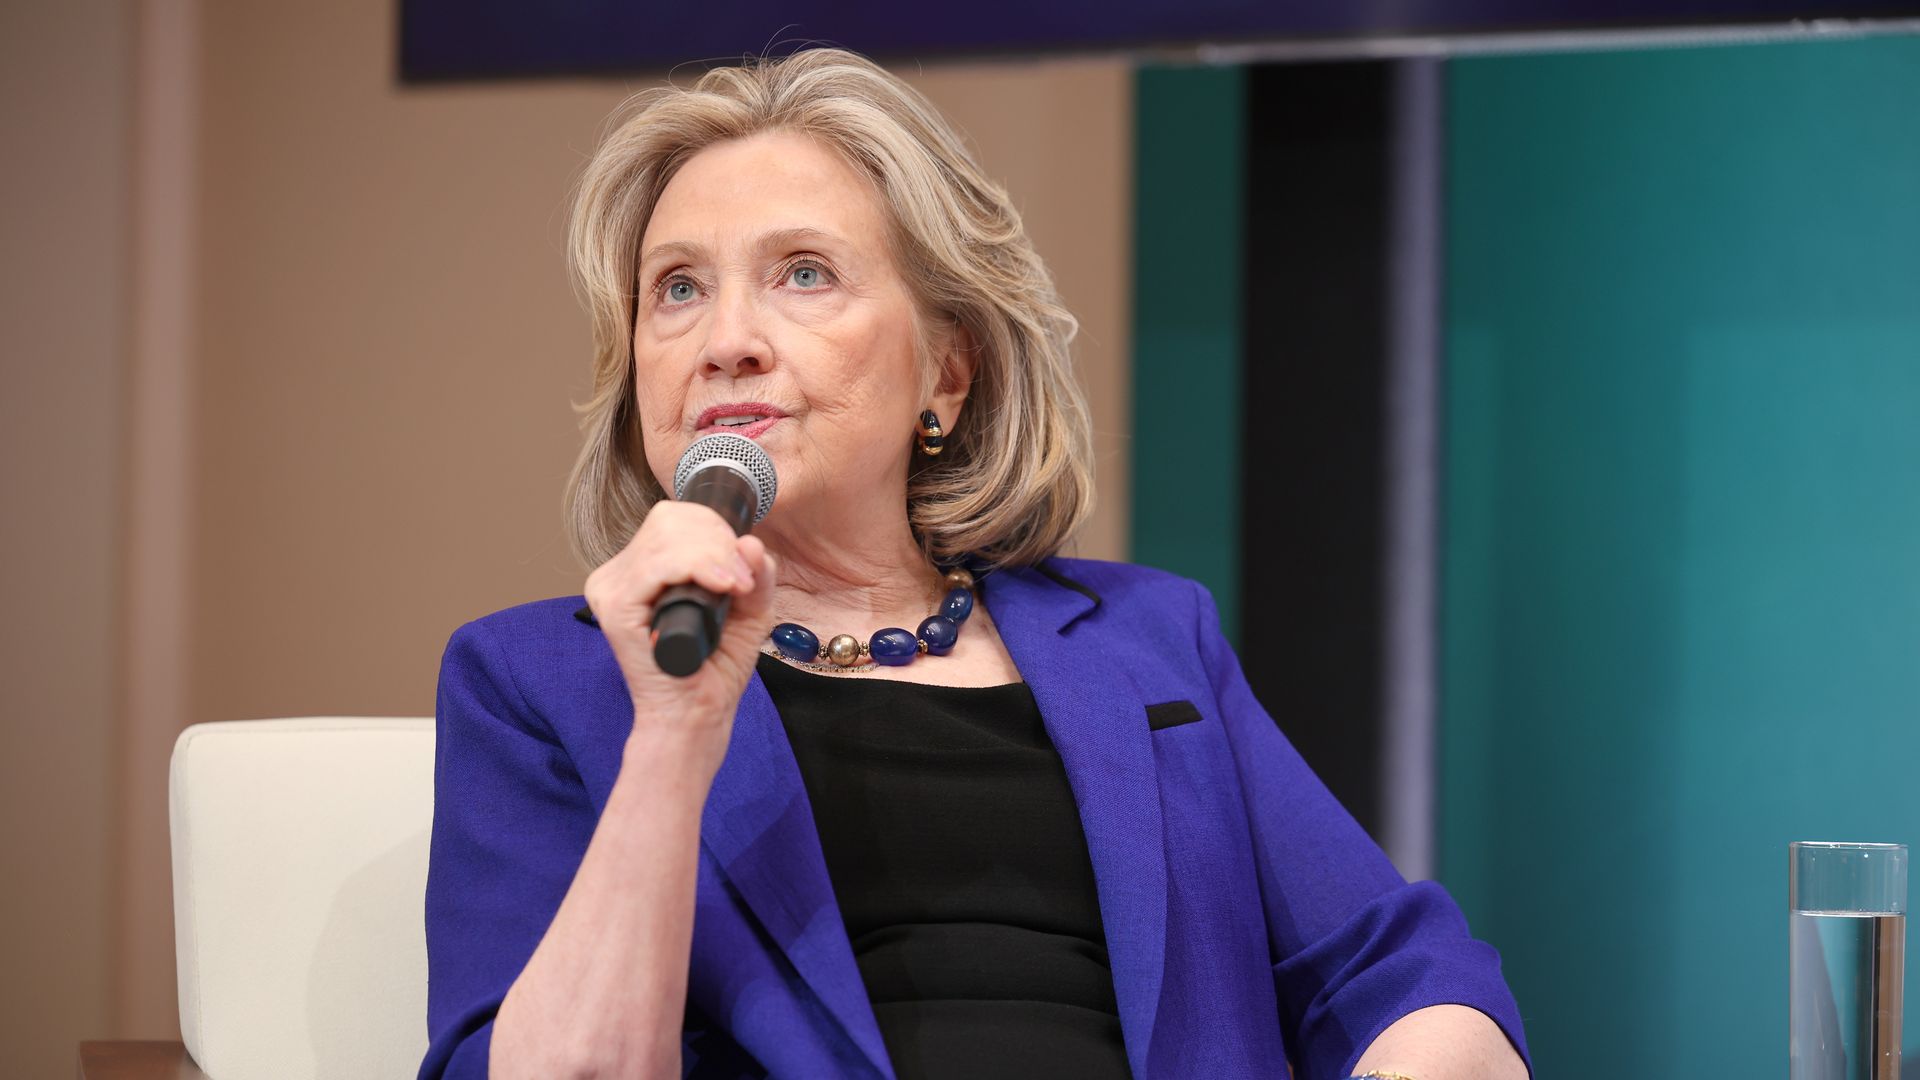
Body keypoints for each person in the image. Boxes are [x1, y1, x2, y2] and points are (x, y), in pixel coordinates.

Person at [418, 46, 1530, 1080]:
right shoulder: (538, 684)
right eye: (677, 287)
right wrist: (671, 737)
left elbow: (1397, 973)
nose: (726, 339)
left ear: (946, 371)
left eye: (803, 273)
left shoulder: (1149, 637)